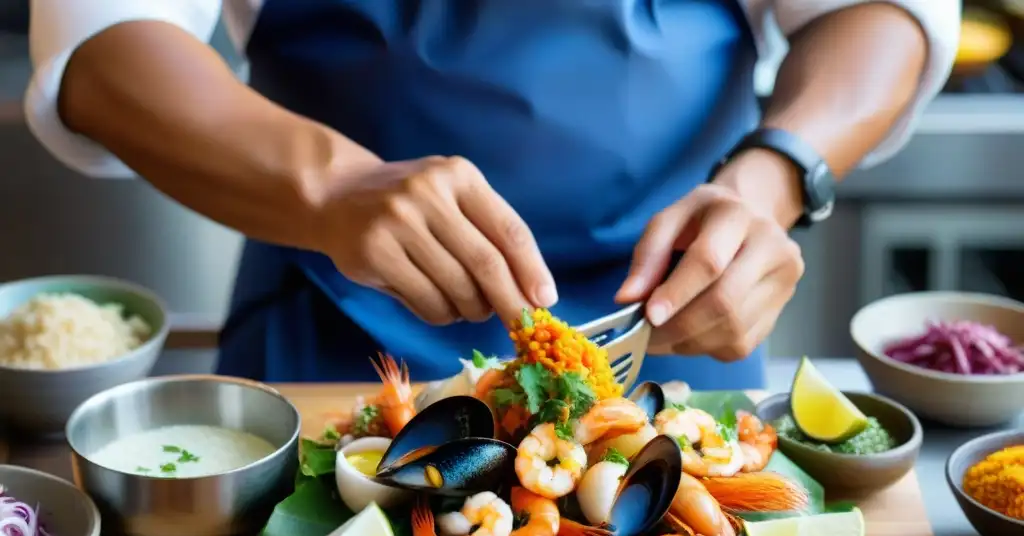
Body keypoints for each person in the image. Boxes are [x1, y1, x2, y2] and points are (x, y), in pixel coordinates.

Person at [26, 1, 959, 389]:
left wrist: (775, 174)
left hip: (681, 335)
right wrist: (336, 187)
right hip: (326, 342)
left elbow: (879, 10)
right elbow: (103, 45)